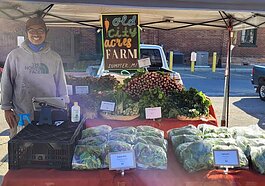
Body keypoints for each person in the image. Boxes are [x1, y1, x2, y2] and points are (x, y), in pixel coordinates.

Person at [1, 16, 69, 138]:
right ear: (26, 32)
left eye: (40, 30)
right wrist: (6, 108)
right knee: (23, 147)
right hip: (22, 111)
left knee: (47, 144)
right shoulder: (15, 56)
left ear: (46, 33)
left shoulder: (54, 57)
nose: (36, 34)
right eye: (32, 30)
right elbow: (6, 83)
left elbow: (61, 83)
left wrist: (65, 103)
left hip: (48, 112)